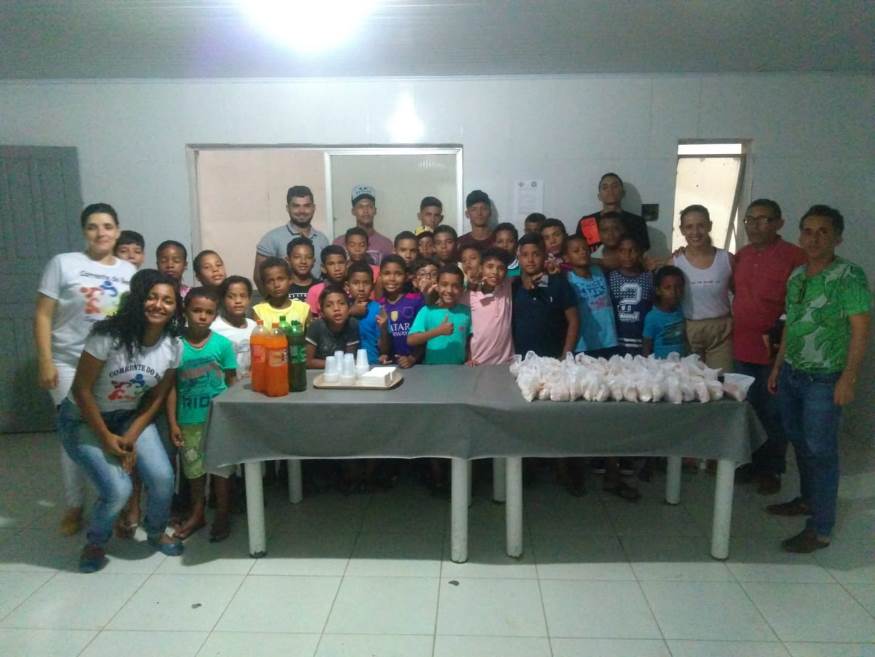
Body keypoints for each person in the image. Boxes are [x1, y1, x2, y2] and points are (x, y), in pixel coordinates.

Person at [60, 269, 185, 572]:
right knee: (118, 491)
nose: (159, 305)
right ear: (139, 300)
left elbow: (156, 397)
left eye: (167, 300)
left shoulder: (173, 346)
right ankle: (95, 542)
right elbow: (82, 390)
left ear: (175, 308)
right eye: (152, 297)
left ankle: (155, 531)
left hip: (129, 417)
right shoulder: (108, 336)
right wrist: (107, 439)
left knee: (162, 478)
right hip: (83, 419)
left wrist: (131, 436)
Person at [767, 205, 871, 553]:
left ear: (837, 238)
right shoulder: (797, 276)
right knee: (799, 442)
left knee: (821, 451)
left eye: (823, 232)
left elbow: (861, 329)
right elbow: (792, 325)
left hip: (825, 379)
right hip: (792, 373)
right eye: (808, 231)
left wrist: (849, 378)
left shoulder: (849, 276)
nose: (814, 239)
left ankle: (821, 528)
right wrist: (778, 367)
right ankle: (807, 500)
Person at [35, 202, 136, 536]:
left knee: (110, 428)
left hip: (111, 366)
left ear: (117, 231)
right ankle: (75, 504)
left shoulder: (128, 271)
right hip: (68, 363)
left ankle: (117, 501)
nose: (100, 233)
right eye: (93, 226)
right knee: (76, 433)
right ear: (84, 231)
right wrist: (46, 360)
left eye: (107, 226)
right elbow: (43, 315)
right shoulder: (63, 264)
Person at [732, 199, 807, 494]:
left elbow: (801, 303)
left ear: (779, 223)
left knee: (774, 412)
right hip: (742, 346)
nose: (755, 225)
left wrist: (778, 330)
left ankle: (771, 469)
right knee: (745, 408)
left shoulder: (795, 257)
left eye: (763, 219)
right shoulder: (742, 255)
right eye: (750, 220)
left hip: (776, 350)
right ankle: (748, 462)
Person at [167, 287, 237, 542]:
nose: (202, 316)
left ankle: (222, 513)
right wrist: (173, 422)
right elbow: (170, 387)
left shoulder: (223, 345)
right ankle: (197, 513)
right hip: (188, 420)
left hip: (219, 419)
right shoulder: (175, 344)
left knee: (221, 469)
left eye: (209, 312)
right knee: (194, 472)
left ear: (215, 314)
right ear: (185, 310)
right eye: (196, 310)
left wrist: (233, 417)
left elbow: (231, 383)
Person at [672, 204, 734, 372]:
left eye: (701, 225)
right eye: (689, 227)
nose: (695, 232)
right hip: (689, 330)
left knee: (722, 379)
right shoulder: (675, 261)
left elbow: (740, 293)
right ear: (682, 230)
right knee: (692, 382)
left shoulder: (727, 259)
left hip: (721, 331)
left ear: (710, 226)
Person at [511, 233, 578, 358]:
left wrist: (566, 356)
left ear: (544, 256)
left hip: (555, 359)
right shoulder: (514, 287)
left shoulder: (558, 283)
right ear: (518, 258)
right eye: (525, 255)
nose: (530, 260)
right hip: (523, 361)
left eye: (536, 254)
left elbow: (574, 320)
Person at [254, 185, 329, 294]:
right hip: (283, 303)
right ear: (287, 208)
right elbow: (259, 277)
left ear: (313, 208)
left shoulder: (322, 239)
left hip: (315, 302)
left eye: (307, 206)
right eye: (296, 206)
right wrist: (272, 301)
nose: (302, 211)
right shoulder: (272, 239)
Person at [564, 235, 618, 357]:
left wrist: (593, 260)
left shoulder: (599, 271)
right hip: (584, 344)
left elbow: (616, 262)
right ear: (566, 257)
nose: (582, 252)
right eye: (576, 251)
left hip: (609, 340)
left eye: (585, 249)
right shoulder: (568, 279)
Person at [462, 248, 514, 365]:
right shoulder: (468, 296)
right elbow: (463, 329)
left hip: (506, 363)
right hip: (477, 362)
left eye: (500, 268)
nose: (495, 272)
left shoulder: (506, 287)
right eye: (490, 267)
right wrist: (467, 357)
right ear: (481, 268)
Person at [576, 172, 650, 252]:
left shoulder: (637, 221)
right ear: (599, 196)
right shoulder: (587, 222)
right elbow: (578, 251)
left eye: (615, 186)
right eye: (605, 187)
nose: (610, 190)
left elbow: (643, 252)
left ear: (623, 193)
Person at [608, 236, 654, 356]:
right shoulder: (610, 277)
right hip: (617, 341)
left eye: (632, 250)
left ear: (640, 252)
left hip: (641, 340)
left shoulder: (649, 278)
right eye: (622, 251)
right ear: (616, 253)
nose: (627, 255)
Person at [378, 255, 424, 369]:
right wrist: (384, 355)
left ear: (406, 276)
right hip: (392, 366)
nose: (392, 278)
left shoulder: (416, 301)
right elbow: (382, 343)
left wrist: (412, 358)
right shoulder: (379, 306)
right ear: (380, 276)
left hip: (418, 366)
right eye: (387, 273)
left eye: (398, 274)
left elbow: (425, 335)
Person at [332, 185, 393, 263]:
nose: (365, 211)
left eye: (369, 206)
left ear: (375, 210)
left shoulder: (386, 244)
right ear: (353, 211)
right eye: (360, 207)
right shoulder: (339, 243)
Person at [211, 276, 257, 379]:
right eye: (231, 296)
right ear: (222, 299)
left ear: (249, 299)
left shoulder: (254, 326)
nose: (238, 301)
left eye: (243, 296)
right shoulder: (214, 328)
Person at [305, 285, 360, 368]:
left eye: (341, 303)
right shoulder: (316, 326)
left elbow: (350, 359)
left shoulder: (352, 324)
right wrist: (337, 363)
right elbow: (308, 362)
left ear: (349, 308)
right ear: (322, 313)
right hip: (319, 372)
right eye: (329, 305)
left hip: (344, 371)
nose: (336, 308)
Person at [346, 261, 389, 365]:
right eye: (356, 283)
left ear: (373, 286)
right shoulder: (342, 307)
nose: (361, 288)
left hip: (372, 363)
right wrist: (350, 312)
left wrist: (383, 329)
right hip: (347, 366)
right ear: (347, 286)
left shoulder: (378, 309)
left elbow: (384, 350)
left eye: (366, 283)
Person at [253, 257, 310, 329]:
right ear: (264, 285)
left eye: (280, 279)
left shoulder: (303, 309)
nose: (276, 285)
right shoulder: (259, 311)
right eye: (270, 281)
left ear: (290, 280)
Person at [643, 266, 686, 358]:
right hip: (661, 364)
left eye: (678, 287)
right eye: (667, 288)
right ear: (658, 290)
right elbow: (646, 346)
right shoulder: (652, 317)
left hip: (682, 363)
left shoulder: (683, 311)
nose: (674, 292)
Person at [305, 245, 349, 317]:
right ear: (323, 268)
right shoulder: (315, 291)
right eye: (331, 264)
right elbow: (312, 319)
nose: (337, 268)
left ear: (347, 265)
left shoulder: (353, 289)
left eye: (341, 263)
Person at [286, 236, 317, 303]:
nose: (303, 261)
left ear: (313, 261)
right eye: (297, 257)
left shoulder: (321, 287)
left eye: (308, 257)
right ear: (288, 260)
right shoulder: (282, 288)